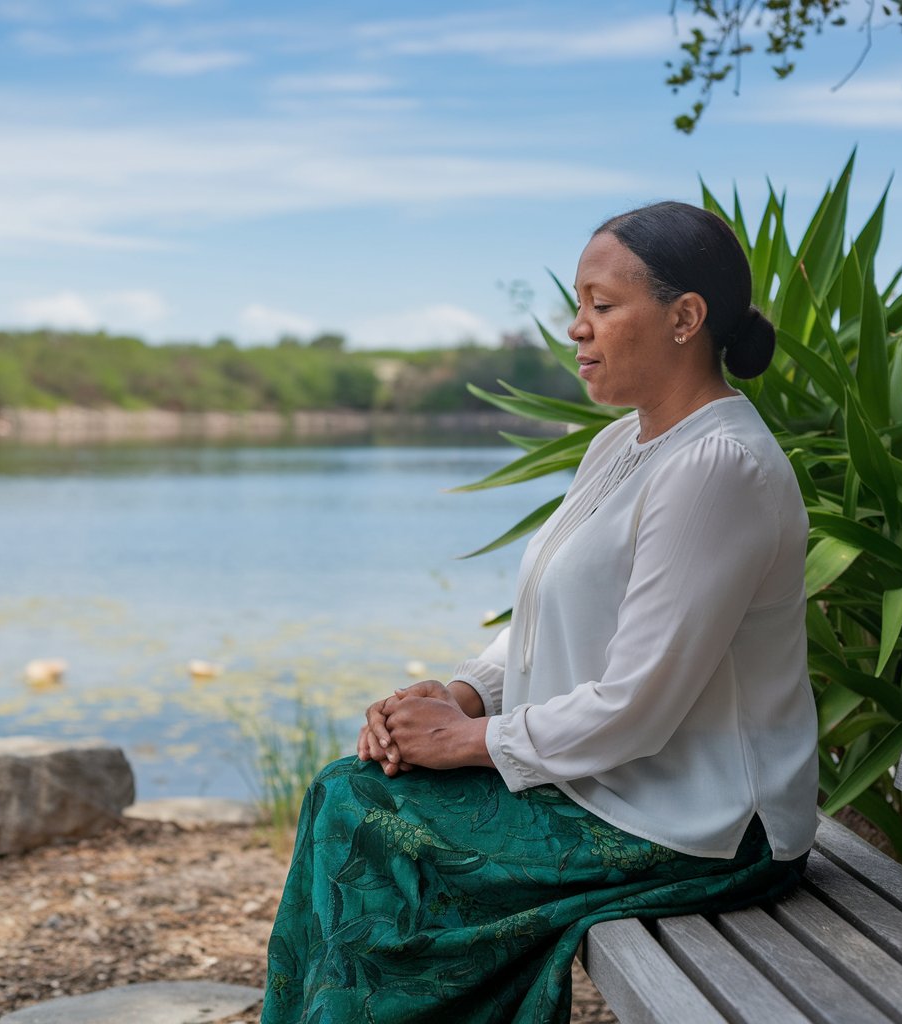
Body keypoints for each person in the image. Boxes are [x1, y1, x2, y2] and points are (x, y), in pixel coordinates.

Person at [261, 201, 819, 1024]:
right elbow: (546, 618)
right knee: (347, 792)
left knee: (364, 816)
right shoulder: (623, 444)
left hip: (706, 824)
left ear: (685, 318)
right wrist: (459, 694)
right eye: (580, 306)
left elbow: (638, 702)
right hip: (624, 786)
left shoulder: (717, 467)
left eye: (602, 305)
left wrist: (467, 743)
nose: (575, 328)